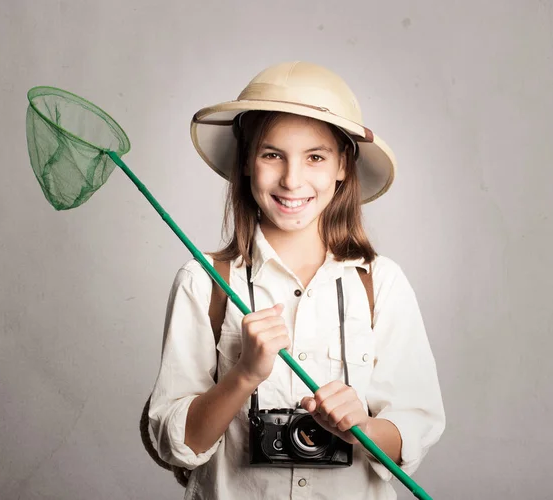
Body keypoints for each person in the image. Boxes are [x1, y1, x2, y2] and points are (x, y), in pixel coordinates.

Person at [148, 61, 445, 500]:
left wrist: (359, 428)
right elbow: (177, 445)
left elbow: (415, 427)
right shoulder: (204, 281)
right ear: (247, 161)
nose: (291, 179)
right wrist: (244, 374)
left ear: (343, 165)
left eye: (315, 157)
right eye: (272, 155)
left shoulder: (381, 284)